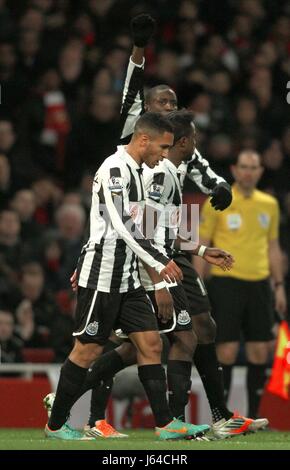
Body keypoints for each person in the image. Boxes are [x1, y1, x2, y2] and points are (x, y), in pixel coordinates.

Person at [71, 14, 267, 439]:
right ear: (145, 120)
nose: (168, 108)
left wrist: (218, 192)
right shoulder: (136, 145)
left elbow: (202, 180)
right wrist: (139, 51)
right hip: (136, 249)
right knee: (138, 338)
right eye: (160, 104)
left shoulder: (181, 149)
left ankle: (207, 415)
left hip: (170, 244)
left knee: (191, 329)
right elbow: (133, 217)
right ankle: (89, 412)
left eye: (172, 103)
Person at [44, 111, 210, 441]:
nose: (165, 155)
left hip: (128, 276)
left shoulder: (136, 170)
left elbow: (142, 224)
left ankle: (166, 424)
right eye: (162, 148)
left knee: (150, 343)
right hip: (104, 275)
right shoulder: (116, 169)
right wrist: (160, 262)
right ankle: (55, 424)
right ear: (144, 139)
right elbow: (121, 225)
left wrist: (186, 254)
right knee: (86, 350)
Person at [195, 149, 287, 419]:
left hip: (259, 282)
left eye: (254, 167)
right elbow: (203, 244)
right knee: (227, 348)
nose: (249, 172)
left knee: (260, 350)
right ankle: (222, 416)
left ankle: (256, 416)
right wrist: (197, 286)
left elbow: (273, 247)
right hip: (226, 282)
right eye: (244, 166)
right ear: (235, 170)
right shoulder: (219, 199)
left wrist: (278, 285)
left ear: (260, 171)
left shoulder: (269, 203)